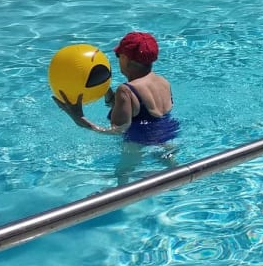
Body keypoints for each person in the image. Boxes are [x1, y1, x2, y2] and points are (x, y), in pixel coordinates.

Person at [54, 31, 179, 184]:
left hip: (137, 143)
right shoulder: (163, 81)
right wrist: (106, 90)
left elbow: (118, 131)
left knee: (122, 175)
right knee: (175, 174)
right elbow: (142, 112)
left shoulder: (125, 90)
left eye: (118, 56)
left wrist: (81, 120)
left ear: (125, 58)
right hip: (167, 137)